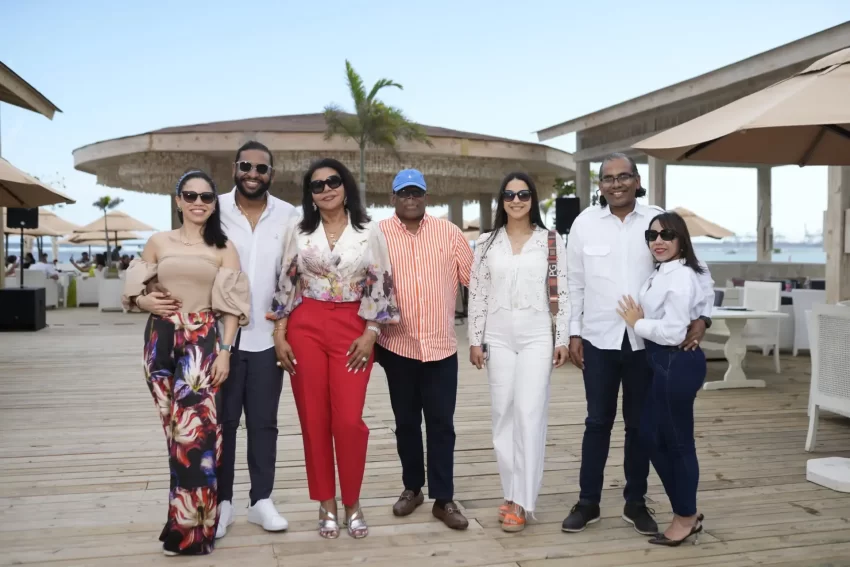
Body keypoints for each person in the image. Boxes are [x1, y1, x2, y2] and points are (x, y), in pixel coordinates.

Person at [561, 153, 715, 536]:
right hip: (598, 339)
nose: (616, 184)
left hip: (646, 345)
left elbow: (698, 270)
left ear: (636, 180)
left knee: (638, 427)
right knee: (597, 422)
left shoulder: (657, 221)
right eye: (608, 178)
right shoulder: (583, 224)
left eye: (624, 176)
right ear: (599, 185)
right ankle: (588, 502)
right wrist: (573, 333)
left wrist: (703, 317)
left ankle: (635, 501)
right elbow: (573, 285)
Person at [147, 141, 294, 538]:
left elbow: (292, 276)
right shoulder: (212, 208)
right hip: (213, 341)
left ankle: (262, 500)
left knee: (265, 423)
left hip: (267, 337)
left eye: (261, 168)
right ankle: (223, 502)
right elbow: (173, 262)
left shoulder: (289, 215)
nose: (253, 173)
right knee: (222, 424)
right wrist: (148, 296)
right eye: (246, 165)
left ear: (271, 174)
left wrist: (284, 328)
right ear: (235, 168)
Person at [269, 158, 399, 539]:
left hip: (353, 327)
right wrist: (280, 332)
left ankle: (353, 501)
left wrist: (371, 330)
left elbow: (380, 281)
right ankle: (325, 502)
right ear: (310, 195)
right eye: (317, 185)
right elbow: (286, 279)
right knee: (313, 419)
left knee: (347, 421)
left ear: (346, 186)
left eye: (333, 181)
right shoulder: (299, 229)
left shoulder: (368, 230)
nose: (326, 189)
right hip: (305, 325)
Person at [122, 170, 251, 556]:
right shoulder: (158, 242)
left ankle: (192, 532)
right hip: (159, 339)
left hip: (201, 341)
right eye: (190, 195)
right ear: (177, 200)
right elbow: (137, 290)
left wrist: (225, 351)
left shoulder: (224, 247)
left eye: (206, 197)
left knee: (194, 437)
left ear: (214, 204)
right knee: (172, 434)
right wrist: (143, 300)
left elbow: (231, 309)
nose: (198, 202)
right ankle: (181, 518)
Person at [467, 172, 570, 532]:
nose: (516, 200)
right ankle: (510, 492)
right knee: (502, 415)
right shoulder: (485, 242)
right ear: (501, 199)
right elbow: (477, 293)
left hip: (537, 335)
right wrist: (474, 339)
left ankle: (524, 501)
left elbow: (564, 292)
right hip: (497, 335)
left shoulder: (551, 241)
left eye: (523, 193)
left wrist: (562, 339)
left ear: (533, 198)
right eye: (509, 194)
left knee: (529, 414)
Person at [375, 169, 474, 530]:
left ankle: (444, 499)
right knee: (405, 424)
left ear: (426, 197)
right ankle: (412, 488)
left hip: (441, 348)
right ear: (393, 199)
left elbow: (475, 281)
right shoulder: (378, 234)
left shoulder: (449, 233)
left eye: (417, 193)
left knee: (441, 425)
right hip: (396, 346)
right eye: (404, 194)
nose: (411, 199)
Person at [617, 211, 708, 546]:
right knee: (652, 437)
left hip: (676, 363)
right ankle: (687, 510)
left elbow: (672, 332)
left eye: (666, 235)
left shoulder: (681, 276)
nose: (658, 241)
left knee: (679, 443)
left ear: (680, 239)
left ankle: (685, 516)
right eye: (652, 236)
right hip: (663, 364)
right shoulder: (663, 273)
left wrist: (636, 322)